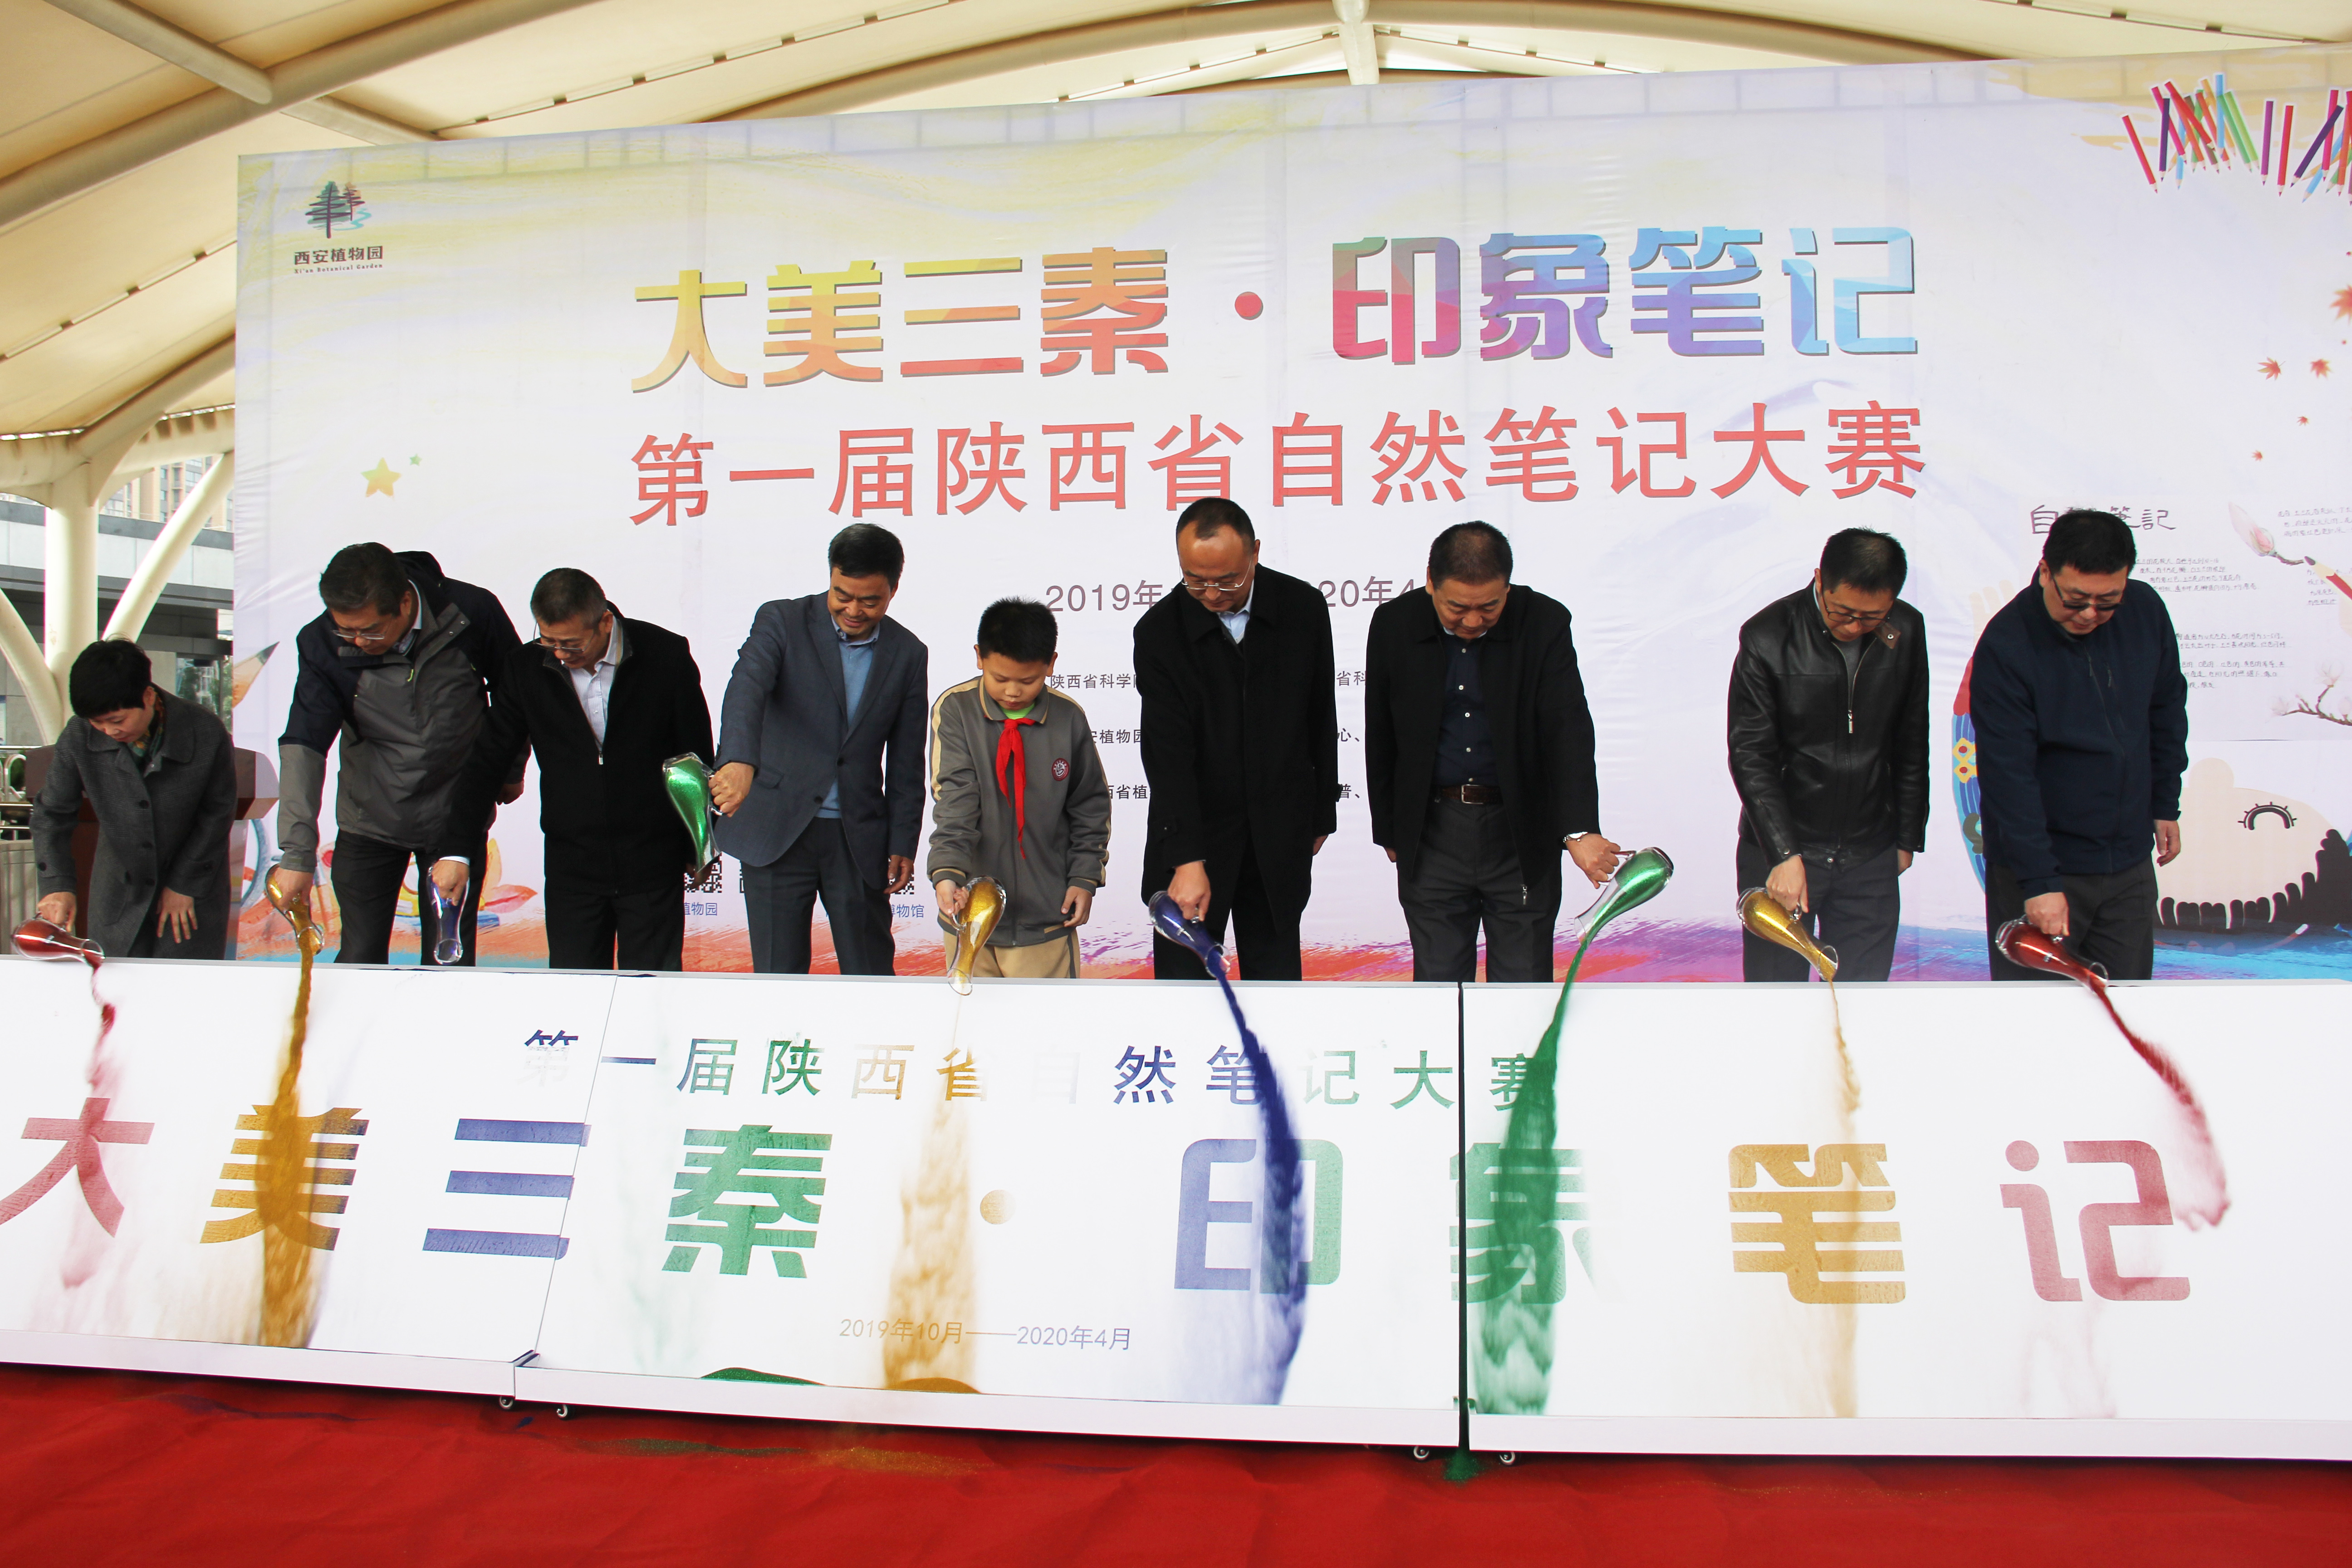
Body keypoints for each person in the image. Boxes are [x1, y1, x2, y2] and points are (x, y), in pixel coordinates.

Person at [1365, 521, 1619, 982]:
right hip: (1432, 830)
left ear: (1508, 587)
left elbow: (1567, 730)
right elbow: (1382, 729)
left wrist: (1579, 829)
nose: (1472, 621)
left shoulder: (1544, 623)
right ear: (1431, 582)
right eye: (1457, 608)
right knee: (1440, 984)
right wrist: (1390, 828)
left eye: (1489, 607)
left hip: (1520, 831)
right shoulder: (1394, 624)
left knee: (1523, 981)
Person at [428, 569, 712, 971]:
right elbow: (487, 760)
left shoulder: (664, 654)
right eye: (549, 641)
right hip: (572, 865)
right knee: (574, 986)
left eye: (572, 644)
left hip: (651, 859)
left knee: (651, 986)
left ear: (605, 622)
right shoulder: (525, 668)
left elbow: (694, 757)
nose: (560, 654)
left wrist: (699, 843)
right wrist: (456, 848)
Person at [268, 544, 524, 965]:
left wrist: (510, 771)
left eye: (370, 632)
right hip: (370, 817)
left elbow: (516, 695)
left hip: (455, 816)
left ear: (405, 603)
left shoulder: (471, 612)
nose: (357, 641)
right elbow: (305, 743)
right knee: (360, 955)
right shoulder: (321, 642)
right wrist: (296, 854)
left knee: (449, 957)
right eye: (346, 631)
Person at [1972, 509, 2188, 981]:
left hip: (2127, 862)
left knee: (2126, 1001)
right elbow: (2009, 774)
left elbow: (2166, 708)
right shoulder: (2007, 645)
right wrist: (2039, 881)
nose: (2091, 614)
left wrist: (2164, 802)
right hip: (2046, 867)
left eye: (2108, 601)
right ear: (2045, 572)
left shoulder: (2145, 610)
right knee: (2040, 1013)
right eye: (2076, 600)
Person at [1132, 497, 1337, 980]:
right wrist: (1187, 858)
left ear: (1255, 553)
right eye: (1195, 579)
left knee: (1276, 973)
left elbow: (1319, 714)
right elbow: (1167, 754)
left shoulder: (1302, 609)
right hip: (1195, 828)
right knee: (1186, 978)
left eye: (1227, 580)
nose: (1211, 594)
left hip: (1279, 827)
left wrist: (1320, 812)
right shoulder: (1160, 632)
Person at [711, 524, 928, 975]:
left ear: (893, 590)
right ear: (831, 576)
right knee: (779, 974)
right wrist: (739, 759)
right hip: (778, 827)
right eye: (842, 595)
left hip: (857, 836)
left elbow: (907, 758)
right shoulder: (782, 620)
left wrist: (903, 838)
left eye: (869, 601)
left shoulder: (908, 653)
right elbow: (747, 687)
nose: (854, 610)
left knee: (870, 973)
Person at [1727, 529, 1930, 982]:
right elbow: (1751, 754)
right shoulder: (1767, 635)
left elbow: (1912, 738)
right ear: (1820, 579)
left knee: (1861, 997)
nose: (1855, 627)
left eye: (1872, 617)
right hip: (1784, 848)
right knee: (1776, 995)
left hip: (1870, 849)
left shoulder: (1907, 629)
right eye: (1844, 613)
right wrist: (1783, 852)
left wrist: (1906, 837)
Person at [926, 598, 1112, 978]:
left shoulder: (1067, 717)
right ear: (979, 657)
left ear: (1051, 664)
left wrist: (1084, 878)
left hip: (1047, 917)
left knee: (1046, 1018)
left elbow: (1090, 806)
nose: (1012, 692)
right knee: (971, 1016)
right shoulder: (956, 710)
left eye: (1028, 681)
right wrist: (947, 873)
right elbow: (955, 801)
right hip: (971, 914)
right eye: (1000, 679)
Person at [31, 639, 237, 959]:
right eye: (97, 723)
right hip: (118, 890)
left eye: (117, 721)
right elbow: (52, 814)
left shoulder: (204, 731)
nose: (108, 732)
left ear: (148, 697)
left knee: (183, 981)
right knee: (113, 980)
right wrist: (57, 884)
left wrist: (184, 884)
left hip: (191, 887)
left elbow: (217, 813)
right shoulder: (79, 735)